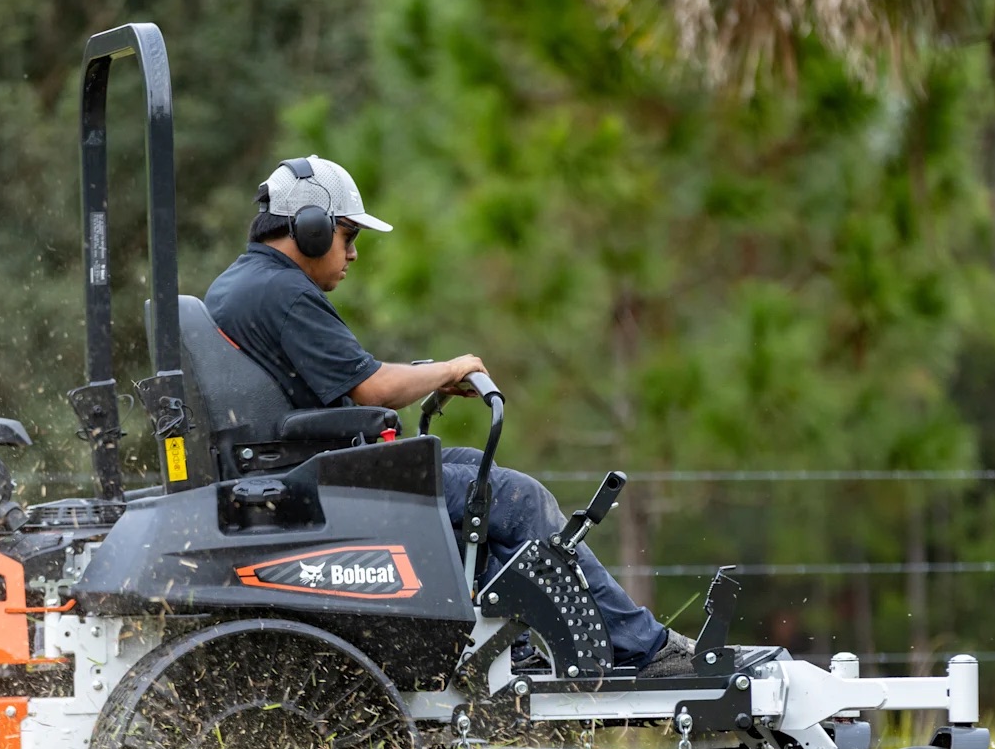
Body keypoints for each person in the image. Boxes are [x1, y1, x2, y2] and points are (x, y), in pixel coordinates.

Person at [203, 155, 696, 677]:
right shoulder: (285, 293)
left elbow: (347, 382)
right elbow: (372, 388)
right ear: (310, 229)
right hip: (318, 478)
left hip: (297, 466)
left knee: (474, 475)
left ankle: (517, 645)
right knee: (516, 498)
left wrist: (427, 376)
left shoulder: (239, 284)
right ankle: (643, 649)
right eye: (347, 235)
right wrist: (448, 369)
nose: (351, 254)